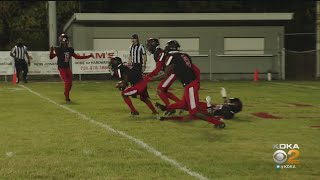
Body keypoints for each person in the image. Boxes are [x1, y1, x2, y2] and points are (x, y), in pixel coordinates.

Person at [149, 40, 225, 128]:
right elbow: (194, 69)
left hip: (190, 84)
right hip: (191, 83)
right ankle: (167, 108)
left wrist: (151, 79)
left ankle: (218, 123)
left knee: (195, 112)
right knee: (183, 104)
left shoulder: (172, 57)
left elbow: (166, 74)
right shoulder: (185, 55)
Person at [49, 33, 94, 102]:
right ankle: (67, 97)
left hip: (67, 68)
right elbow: (51, 57)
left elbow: (77, 57)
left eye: (66, 40)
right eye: (65, 40)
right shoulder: (58, 48)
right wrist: (51, 50)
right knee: (67, 83)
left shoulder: (70, 49)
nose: (66, 42)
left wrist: (88, 56)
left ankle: (66, 93)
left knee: (70, 84)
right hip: (61, 68)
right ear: (62, 41)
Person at [144, 38, 180, 115]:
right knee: (164, 91)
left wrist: (148, 77)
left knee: (160, 90)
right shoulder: (158, 52)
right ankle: (181, 104)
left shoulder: (159, 52)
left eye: (149, 46)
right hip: (171, 72)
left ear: (152, 45)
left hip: (171, 73)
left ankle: (170, 108)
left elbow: (157, 69)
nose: (148, 48)